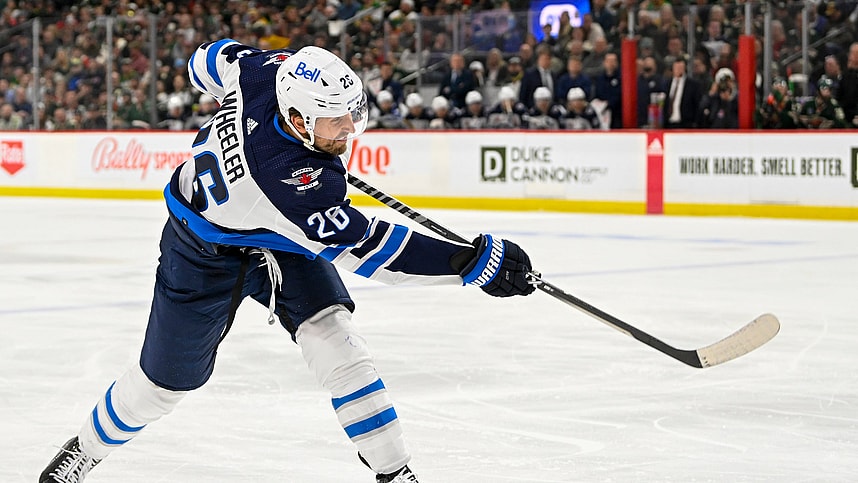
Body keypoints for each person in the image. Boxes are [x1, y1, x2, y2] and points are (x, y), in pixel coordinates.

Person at [39, 40, 536, 483]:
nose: (348, 130)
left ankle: (394, 472)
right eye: (333, 121)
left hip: (275, 235)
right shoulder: (291, 181)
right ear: (297, 119)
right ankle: (82, 452)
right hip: (202, 252)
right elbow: (375, 252)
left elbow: (206, 59)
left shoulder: (266, 71)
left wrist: (219, 96)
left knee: (336, 340)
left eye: (351, 115)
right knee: (161, 387)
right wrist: (472, 264)